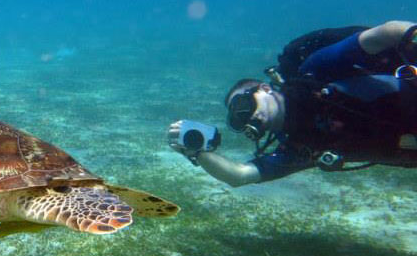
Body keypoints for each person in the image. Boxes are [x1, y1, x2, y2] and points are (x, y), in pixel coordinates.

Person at [168, 20, 417, 187]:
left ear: (264, 88)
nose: (248, 118)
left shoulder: (314, 71)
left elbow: (387, 32)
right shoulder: (299, 145)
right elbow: (238, 176)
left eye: (244, 106)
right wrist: (196, 151)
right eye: (238, 120)